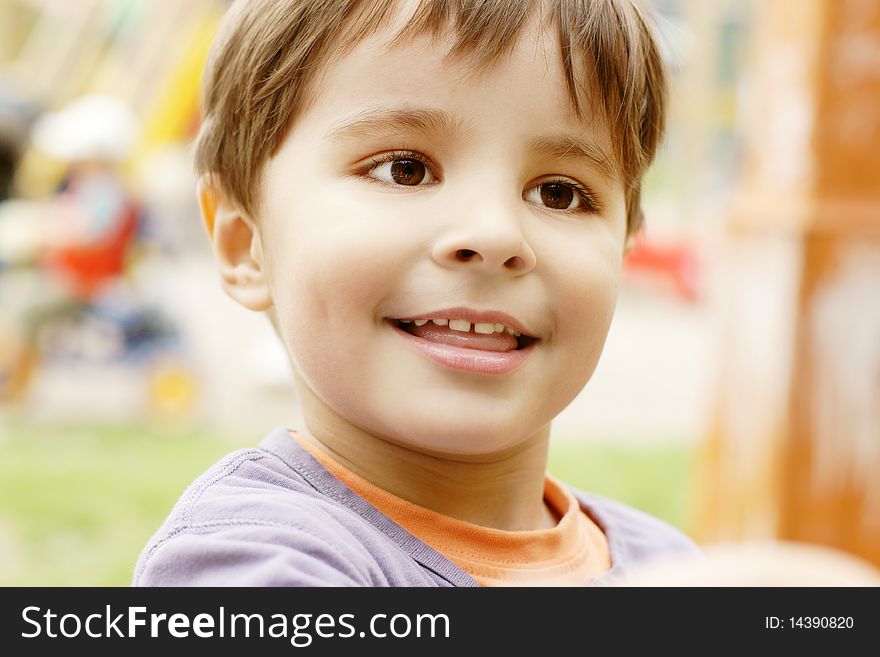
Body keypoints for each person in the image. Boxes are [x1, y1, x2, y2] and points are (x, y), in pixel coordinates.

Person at [134, 0, 699, 587]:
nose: (495, 234)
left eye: (559, 193)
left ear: (626, 248)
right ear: (243, 242)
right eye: (403, 169)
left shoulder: (670, 562)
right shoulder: (252, 558)